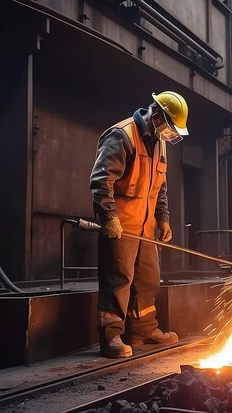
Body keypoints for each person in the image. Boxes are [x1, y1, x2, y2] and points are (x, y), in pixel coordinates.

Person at [90, 91, 189, 358]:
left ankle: (143, 331)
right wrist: (109, 217)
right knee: (119, 278)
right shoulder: (122, 136)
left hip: (145, 226)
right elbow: (101, 182)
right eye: (169, 128)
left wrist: (163, 218)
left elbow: (161, 187)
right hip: (121, 222)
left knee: (147, 278)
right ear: (156, 117)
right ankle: (111, 335)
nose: (170, 135)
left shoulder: (159, 141)